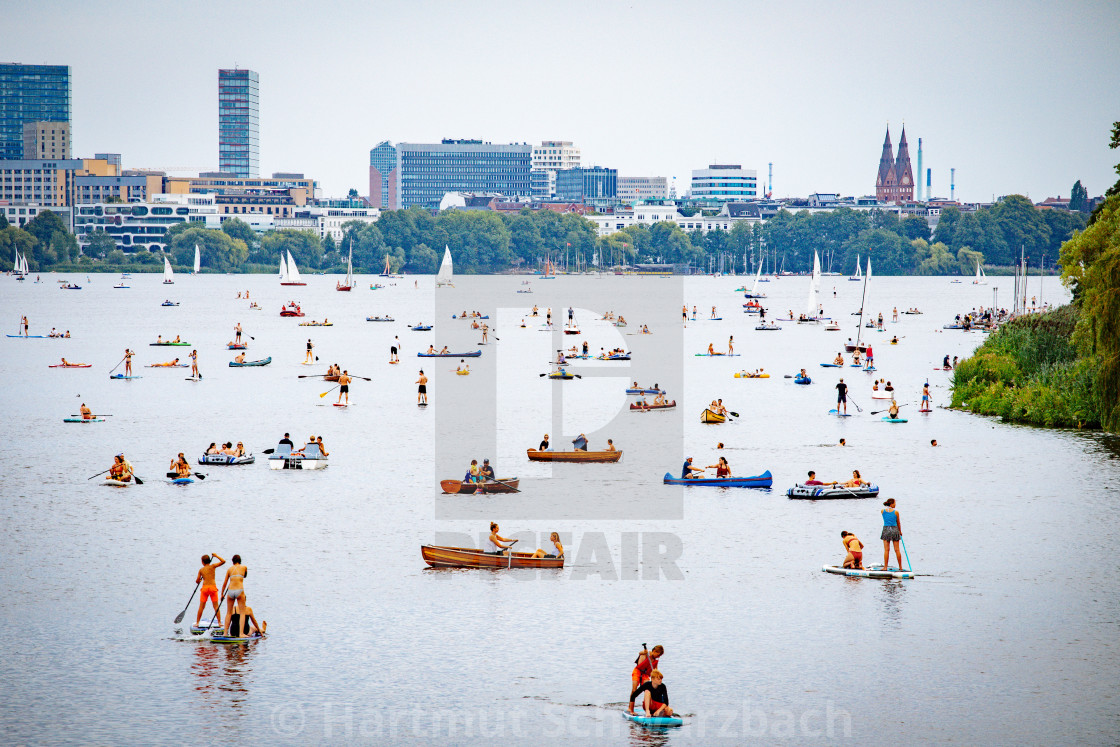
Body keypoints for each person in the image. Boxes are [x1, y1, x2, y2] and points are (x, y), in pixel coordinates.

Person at [628, 646, 664, 714]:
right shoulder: (646, 653)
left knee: (649, 690)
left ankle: (649, 708)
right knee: (634, 690)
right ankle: (630, 708)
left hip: (645, 675)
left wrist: (657, 679)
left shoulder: (656, 661)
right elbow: (640, 653)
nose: (658, 657)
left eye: (660, 656)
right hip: (637, 671)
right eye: (658, 655)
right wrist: (643, 652)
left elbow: (655, 671)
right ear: (654, 651)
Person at [194, 553, 226, 627]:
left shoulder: (201, 570)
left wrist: (200, 580)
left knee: (201, 606)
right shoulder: (213, 566)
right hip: (212, 588)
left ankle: (197, 622)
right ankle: (219, 623)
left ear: (202, 562)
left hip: (205, 588)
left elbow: (197, 581)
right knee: (216, 606)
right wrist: (216, 556)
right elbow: (223, 561)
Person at [220, 554, 248, 625]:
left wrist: (222, 594)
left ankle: (225, 632)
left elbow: (225, 582)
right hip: (239, 590)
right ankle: (241, 633)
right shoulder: (244, 567)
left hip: (230, 591)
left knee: (229, 613)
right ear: (240, 561)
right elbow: (245, 576)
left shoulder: (229, 569)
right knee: (242, 613)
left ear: (233, 562)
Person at [881, 499, 904, 570]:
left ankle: (885, 567)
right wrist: (900, 531)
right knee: (897, 550)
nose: (895, 504)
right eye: (894, 503)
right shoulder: (896, 512)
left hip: (886, 530)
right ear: (891, 504)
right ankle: (900, 567)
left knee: (886, 550)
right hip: (894, 529)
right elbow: (898, 523)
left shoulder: (882, 511)